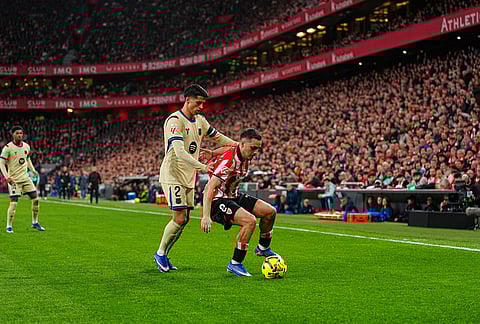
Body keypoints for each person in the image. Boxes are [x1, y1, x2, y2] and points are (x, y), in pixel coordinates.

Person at [154, 84, 237, 273]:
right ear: (187, 100)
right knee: (180, 217)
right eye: (198, 103)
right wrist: (203, 167)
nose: (201, 107)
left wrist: (239, 146)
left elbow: (219, 138)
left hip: (189, 176)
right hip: (173, 173)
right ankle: (160, 253)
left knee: (184, 219)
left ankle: (163, 255)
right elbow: (179, 152)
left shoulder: (201, 121)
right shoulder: (174, 121)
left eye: (203, 104)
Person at [201, 128, 280, 277]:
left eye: (258, 148)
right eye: (253, 148)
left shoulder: (241, 151)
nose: (256, 152)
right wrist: (206, 216)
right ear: (243, 145)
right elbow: (209, 187)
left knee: (270, 212)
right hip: (218, 200)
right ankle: (235, 263)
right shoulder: (230, 161)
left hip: (234, 195)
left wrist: (212, 153)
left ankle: (263, 247)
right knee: (249, 221)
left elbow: (228, 147)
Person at [0, 126, 44, 233]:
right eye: (17, 133)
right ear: (13, 135)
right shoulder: (8, 148)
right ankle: (9, 226)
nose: (20, 135)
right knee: (14, 203)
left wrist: (33, 170)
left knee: (36, 199)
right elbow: (1, 163)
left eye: (21, 133)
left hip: (25, 178)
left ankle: (35, 222)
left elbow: (27, 159)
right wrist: (7, 177)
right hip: (14, 180)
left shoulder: (26, 146)